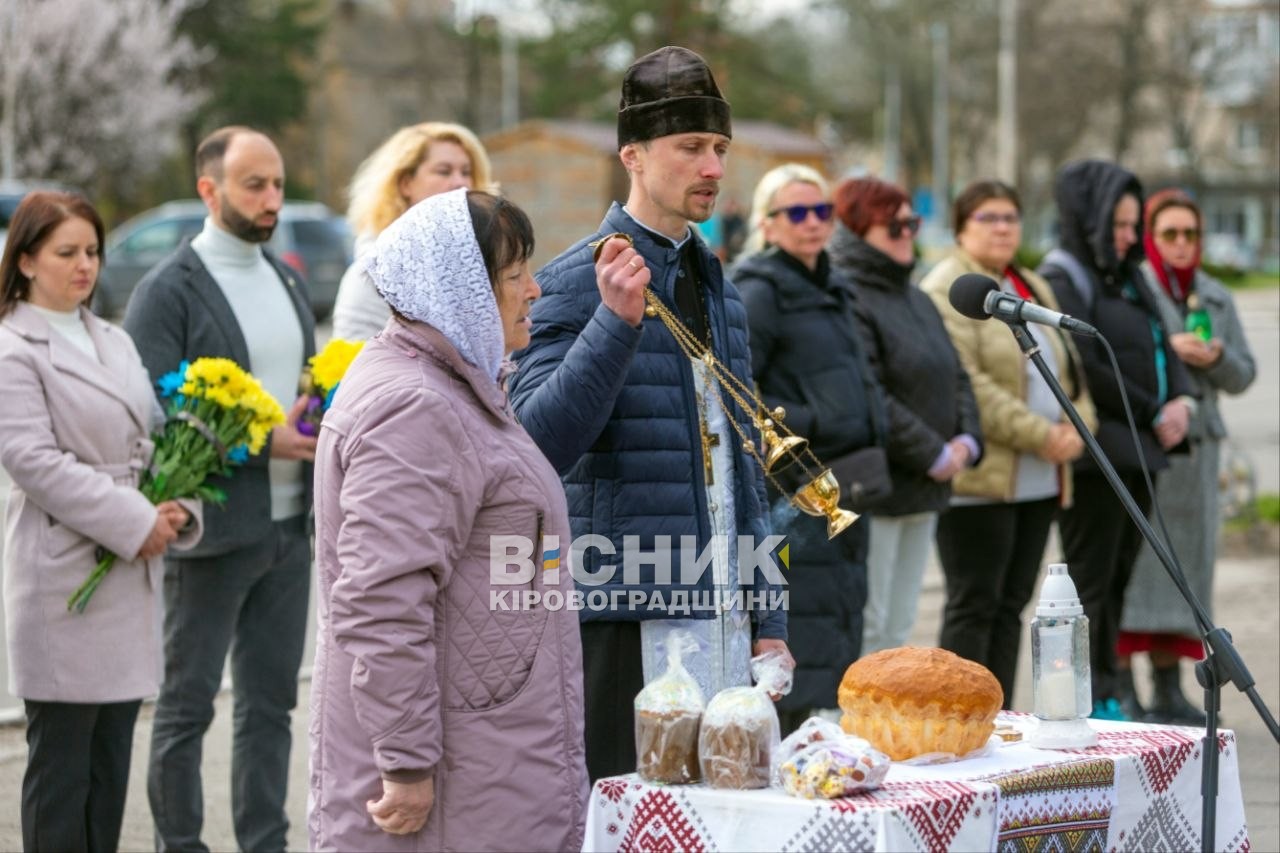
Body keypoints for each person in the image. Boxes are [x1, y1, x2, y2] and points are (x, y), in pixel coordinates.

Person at [508, 45, 792, 783]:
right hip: (625, 615)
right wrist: (613, 324)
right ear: (632, 155)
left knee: (727, 814)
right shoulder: (573, 282)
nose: (712, 166)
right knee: (629, 820)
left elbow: (746, 467)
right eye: (690, 147)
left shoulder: (722, 290)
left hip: (726, 616)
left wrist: (769, 618)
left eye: (720, 148)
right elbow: (535, 445)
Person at [308, 188, 587, 851]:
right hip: (457, 770)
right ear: (457, 290)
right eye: (514, 276)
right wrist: (405, 762)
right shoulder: (415, 406)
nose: (534, 290)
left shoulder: (457, 385)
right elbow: (382, 597)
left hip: (487, 749)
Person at [124, 126, 318, 851]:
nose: (272, 199)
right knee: (186, 709)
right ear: (209, 190)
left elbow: (299, 387)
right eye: (254, 185)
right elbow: (154, 414)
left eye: (278, 184)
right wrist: (266, 443)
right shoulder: (166, 290)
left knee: (270, 708)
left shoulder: (287, 279)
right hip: (211, 536)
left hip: (289, 530)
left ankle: (265, 842)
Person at [0, 191, 201, 852]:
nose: (84, 265)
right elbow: (33, 461)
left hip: (126, 571)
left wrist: (178, 504)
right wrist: (135, 519)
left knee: (110, 764)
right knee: (62, 769)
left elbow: (158, 433)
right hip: (63, 575)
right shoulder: (11, 347)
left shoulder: (111, 338)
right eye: (66, 252)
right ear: (26, 260)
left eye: (92, 251)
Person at [920, 179, 1097, 707]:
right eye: (988, 218)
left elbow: (1071, 370)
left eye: (1010, 218)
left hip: (1040, 479)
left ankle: (999, 715)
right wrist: (1042, 434)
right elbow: (970, 384)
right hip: (983, 482)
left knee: (1013, 605)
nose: (1002, 228)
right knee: (975, 604)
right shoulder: (947, 288)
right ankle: (960, 715)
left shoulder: (1028, 284)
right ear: (961, 228)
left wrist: (1079, 428)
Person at [1037, 159, 1195, 721]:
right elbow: (1085, 363)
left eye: (1134, 226)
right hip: (1098, 454)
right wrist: (1151, 409)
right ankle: (1089, 694)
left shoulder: (1129, 276)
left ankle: (1106, 686)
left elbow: (1163, 342)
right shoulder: (1063, 278)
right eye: (1119, 226)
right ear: (1090, 220)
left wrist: (1182, 401)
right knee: (1090, 583)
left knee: (1119, 577)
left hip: (1142, 452)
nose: (1129, 237)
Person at [731, 163, 886, 732]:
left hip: (843, 482)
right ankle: (783, 746)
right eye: (796, 213)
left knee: (838, 618)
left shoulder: (833, 285)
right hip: (791, 488)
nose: (813, 223)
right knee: (797, 626)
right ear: (767, 224)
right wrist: (820, 419)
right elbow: (737, 392)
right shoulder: (758, 290)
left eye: (822, 211)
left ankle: (814, 744)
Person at [827, 176, 983, 659]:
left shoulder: (916, 297)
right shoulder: (848, 295)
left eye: (911, 223)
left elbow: (957, 374)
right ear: (858, 231)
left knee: (900, 622)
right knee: (871, 624)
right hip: (880, 488)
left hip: (928, 486)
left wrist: (967, 441)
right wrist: (932, 452)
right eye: (893, 226)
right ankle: (858, 706)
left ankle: (888, 706)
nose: (907, 234)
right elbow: (870, 390)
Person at [1119, 188, 1256, 724]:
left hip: (1199, 456)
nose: (1181, 244)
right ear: (1151, 239)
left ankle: (1169, 687)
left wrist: (1215, 357)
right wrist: (1167, 351)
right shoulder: (1134, 289)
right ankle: (1123, 688)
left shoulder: (1215, 295)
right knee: (1137, 570)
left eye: (1190, 234)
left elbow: (1244, 374)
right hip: (1150, 449)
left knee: (1186, 574)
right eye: (1169, 234)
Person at [331, 122, 495, 340]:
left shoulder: (476, 261)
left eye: (466, 172)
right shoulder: (373, 273)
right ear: (405, 183)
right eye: (444, 171)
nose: (460, 182)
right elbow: (356, 355)